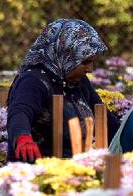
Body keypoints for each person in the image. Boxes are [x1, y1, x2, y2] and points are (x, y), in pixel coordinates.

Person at [7, 19, 119, 162]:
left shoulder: (79, 82)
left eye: (92, 62)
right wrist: (23, 137)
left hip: (75, 168)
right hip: (38, 171)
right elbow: (20, 111)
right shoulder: (33, 81)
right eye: (85, 62)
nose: (90, 69)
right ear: (65, 54)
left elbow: (106, 121)